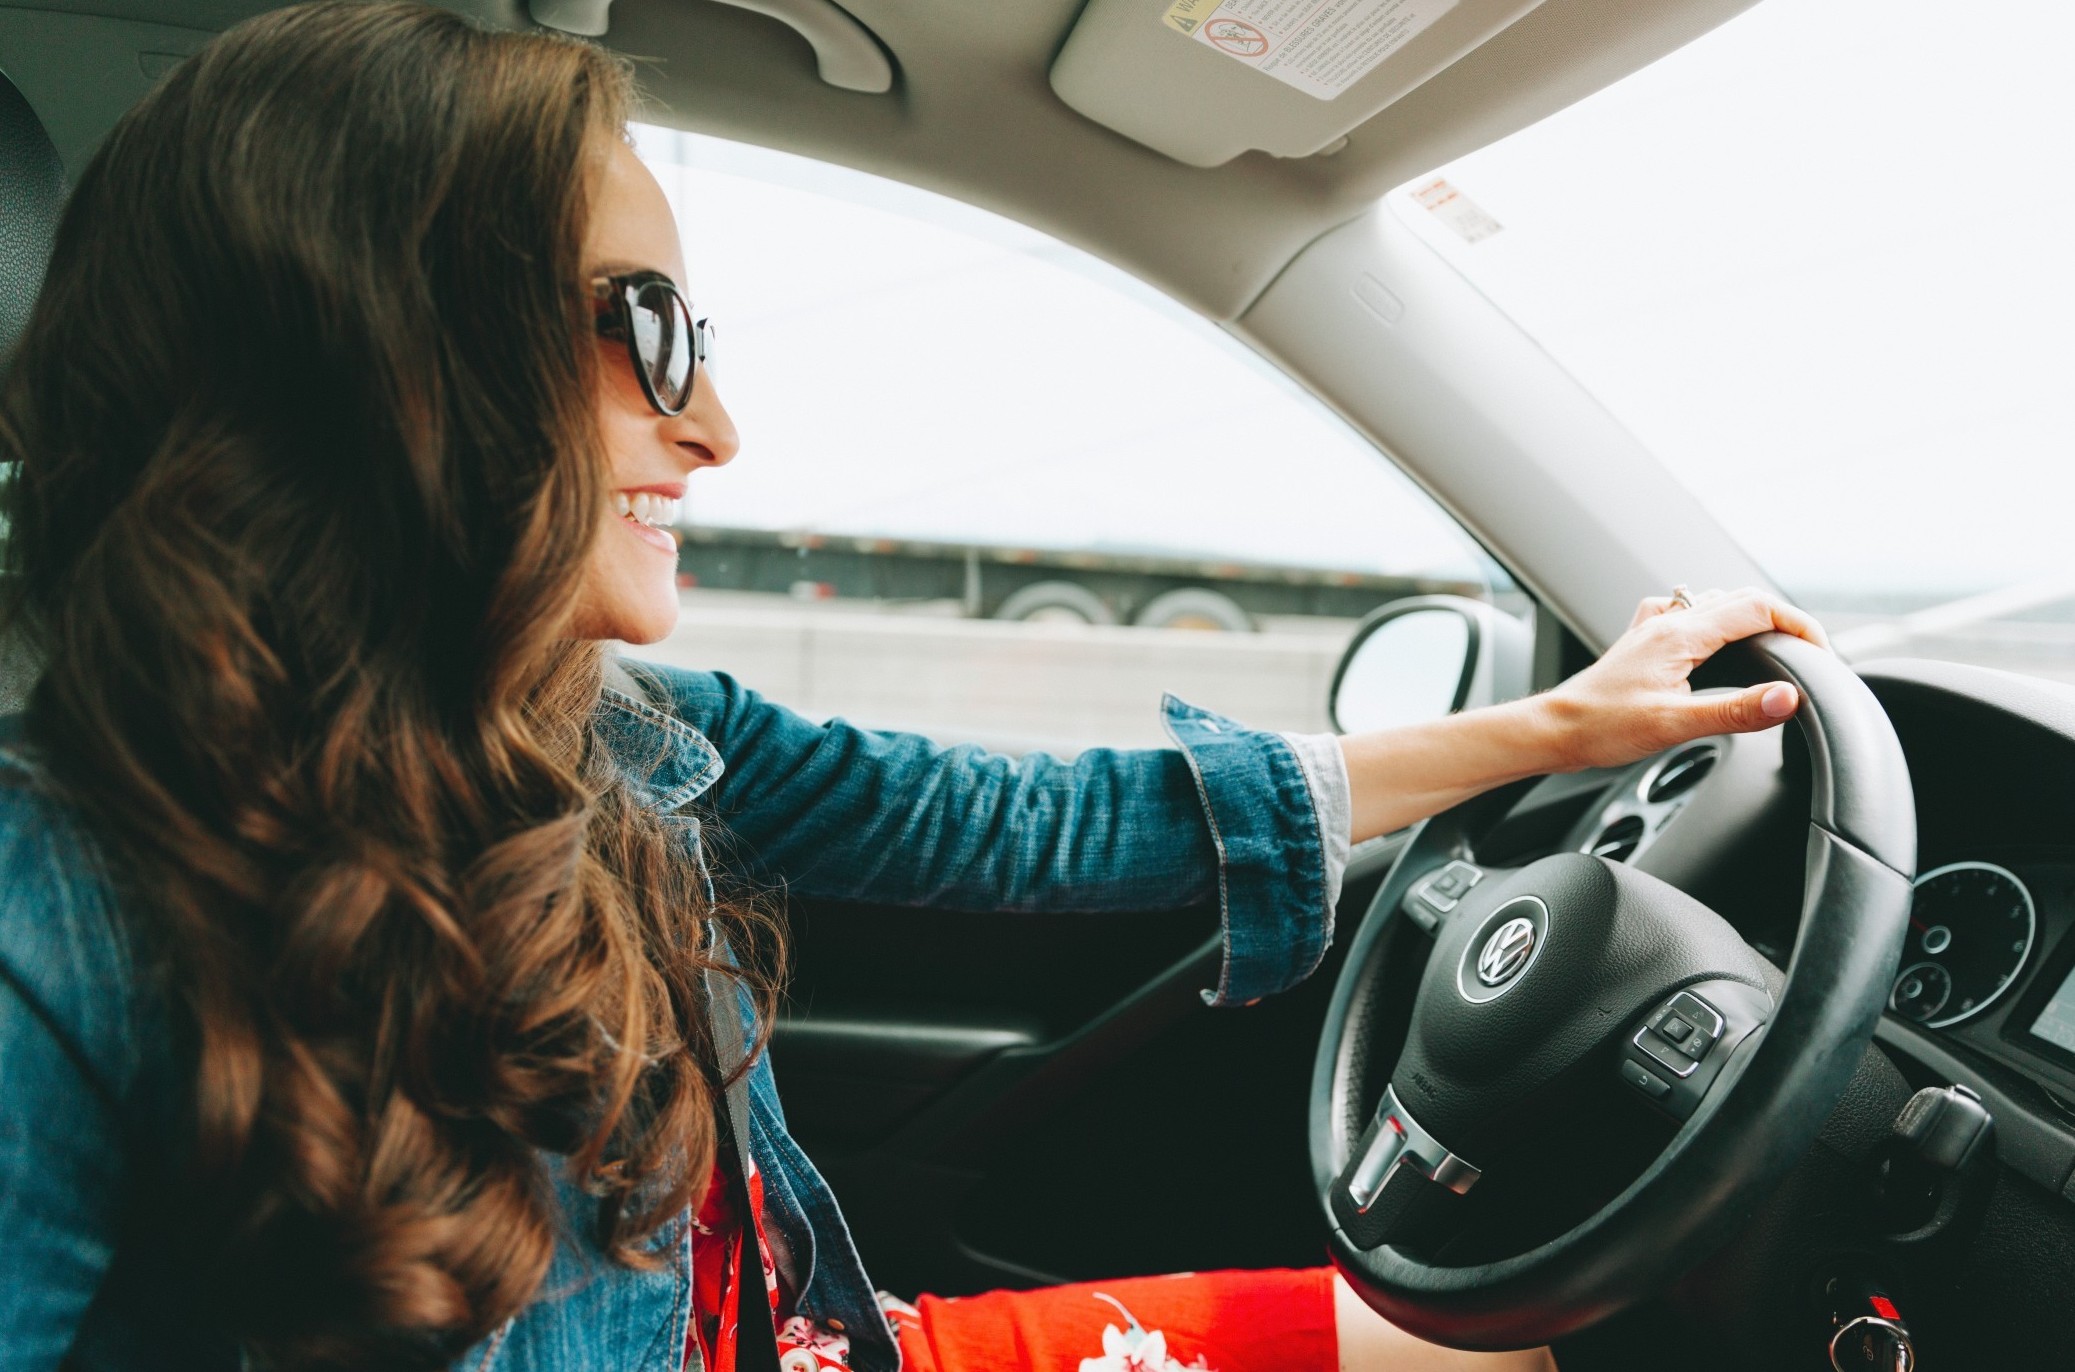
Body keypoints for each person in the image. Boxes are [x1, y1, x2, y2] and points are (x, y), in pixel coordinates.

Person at [0, 5, 1829, 1371]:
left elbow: (1014, 823)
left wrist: (1575, 728)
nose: (715, 426)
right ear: (381, 355)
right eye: (647, 331)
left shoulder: (613, 736)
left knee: (1487, 1333)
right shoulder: (53, 929)